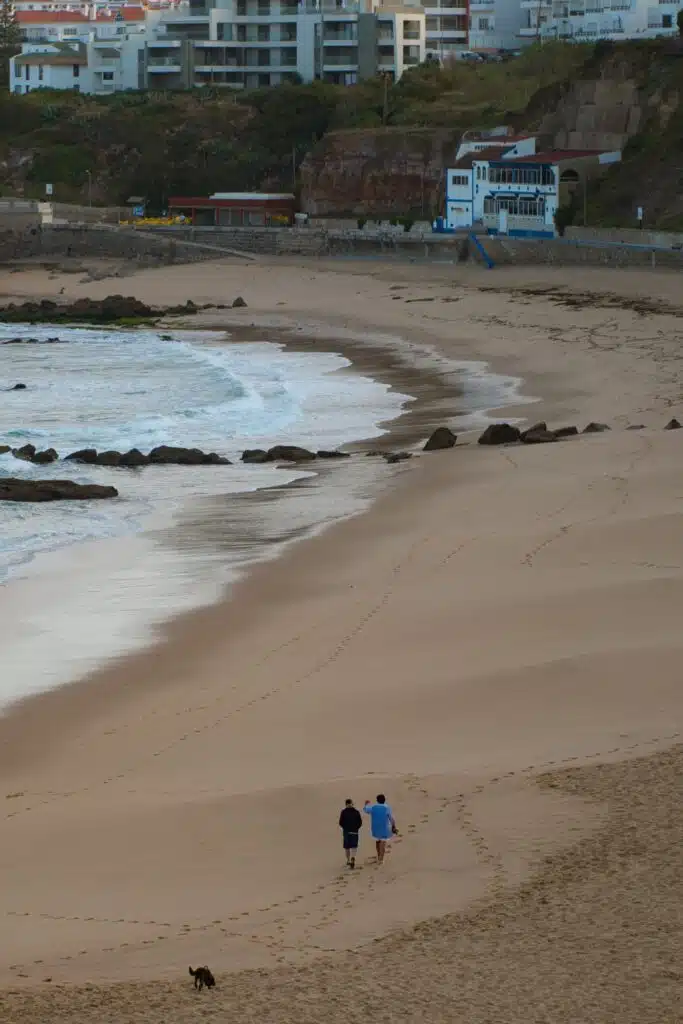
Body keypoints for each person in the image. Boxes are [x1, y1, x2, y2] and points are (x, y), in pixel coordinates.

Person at [363, 794, 396, 865]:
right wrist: (393, 826)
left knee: (377, 842)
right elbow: (391, 818)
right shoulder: (387, 807)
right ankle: (381, 859)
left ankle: (378, 855)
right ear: (384, 800)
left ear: (377, 800)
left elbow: (366, 810)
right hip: (384, 828)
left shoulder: (374, 807)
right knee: (383, 843)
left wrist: (366, 804)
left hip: (375, 828)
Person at [338, 798, 363, 869]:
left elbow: (340, 822)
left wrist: (345, 828)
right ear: (352, 803)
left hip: (346, 832)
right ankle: (353, 857)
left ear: (346, 804)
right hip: (354, 831)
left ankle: (348, 860)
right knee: (354, 846)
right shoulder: (356, 812)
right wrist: (356, 828)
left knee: (347, 847)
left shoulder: (343, 812)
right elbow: (360, 822)